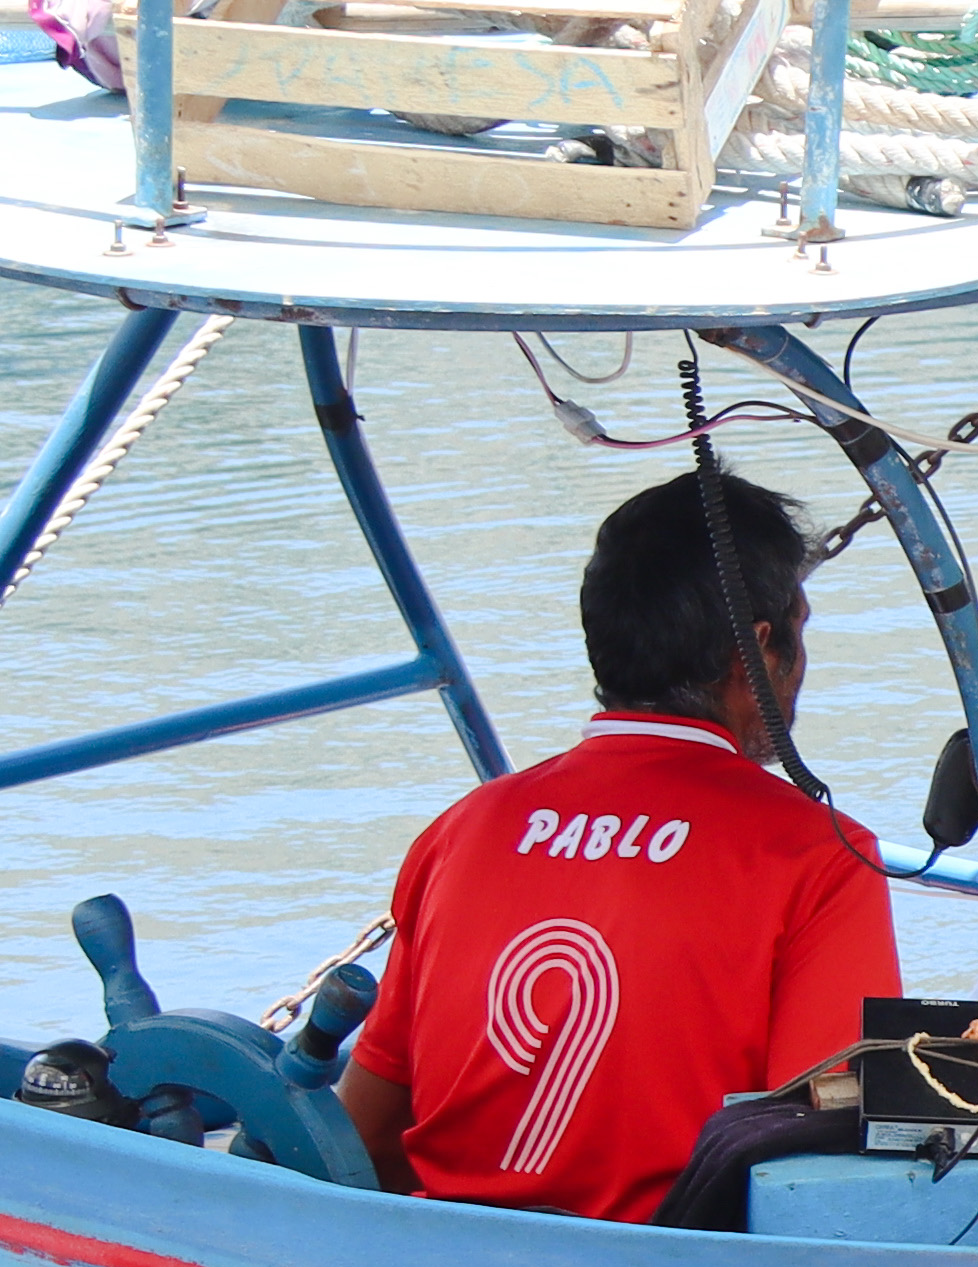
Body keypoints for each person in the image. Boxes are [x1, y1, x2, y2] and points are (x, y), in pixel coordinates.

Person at [345, 471, 904, 1221]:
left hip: (450, 1262)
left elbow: (370, 1132)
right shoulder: (820, 855)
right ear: (758, 650)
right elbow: (821, 1164)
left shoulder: (461, 830)